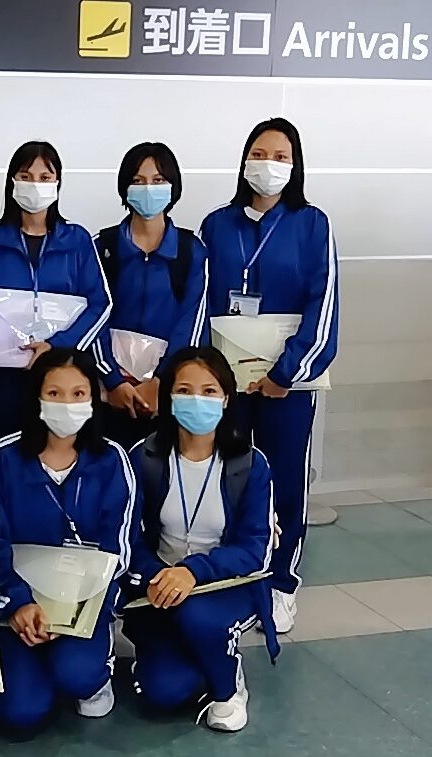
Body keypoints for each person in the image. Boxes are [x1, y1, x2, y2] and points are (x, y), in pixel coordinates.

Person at [199, 118, 338, 633]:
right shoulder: (217, 225)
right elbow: (202, 303)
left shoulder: (312, 224)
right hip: (227, 385)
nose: (268, 165)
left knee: (285, 479)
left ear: (294, 166)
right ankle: (234, 574)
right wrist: (209, 376)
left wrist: (287, 372)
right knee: (227, 476)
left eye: (280, 157)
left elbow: (323, 304)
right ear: (243, 161)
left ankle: (281, 582)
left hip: (286, 387)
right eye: (259, 154)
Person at [125, 347, 279, 732]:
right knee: (162, 693)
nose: (197, 400)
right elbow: (126, 537)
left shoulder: (250, 463)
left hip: (226, 584)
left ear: (226, 399)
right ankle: (199, 653)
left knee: (196, 615)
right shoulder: (144, 457)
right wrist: (157, 575)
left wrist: (193, 572)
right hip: (158, 583)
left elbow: (256, 550)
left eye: (209, 391)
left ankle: (228, 687)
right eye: (184, 390)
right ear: (169, 398)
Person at [0, 348, 136, 735]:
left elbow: (119, 548)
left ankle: (89, 675)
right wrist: (18, 603)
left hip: (84, 602)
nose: (66, 404)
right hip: (19, 603)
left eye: (78, 394)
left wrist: (71, 607)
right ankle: (29, 672)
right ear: (36, 397)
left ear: (93, 398)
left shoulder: (112, 460)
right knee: (20, 713)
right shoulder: (4, 458)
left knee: (77, 674)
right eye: (54, 393)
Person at [0, 141, 112, 454]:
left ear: (57, 183)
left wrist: (58, 345)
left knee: (58, 454)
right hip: (2, 378)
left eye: (45, 177)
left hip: (60, 375)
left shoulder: (77, 239)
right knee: (1, 456)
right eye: (26, 176)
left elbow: (101, 304)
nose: (35, 185)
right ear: (12, 182)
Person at [93, 142, 210, 450]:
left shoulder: (191, 251)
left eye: (158, 180)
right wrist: (113, 380)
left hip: (166, 395)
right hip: (108, 393)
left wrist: (162, 381)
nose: (148, 189)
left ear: (173, 187)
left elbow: (192, 324)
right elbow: (92, 319)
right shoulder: (101, 248)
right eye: (138, 180)